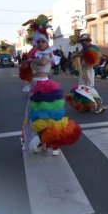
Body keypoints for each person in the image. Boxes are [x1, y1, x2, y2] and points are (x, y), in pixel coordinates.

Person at [21, 15, 81, 155]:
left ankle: (55, 145)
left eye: (43, 41)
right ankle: (42, 143)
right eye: (39, 42)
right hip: (34, 88)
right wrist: (27, 64)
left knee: (50, 118)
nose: (41, 44)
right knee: (35, 117)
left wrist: (30, 61)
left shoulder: (49, 54)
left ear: (47, 43)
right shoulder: (35, 55)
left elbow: (42, 63)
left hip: (45, 87)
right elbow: (27, 69)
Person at [66, 34, 106, 113]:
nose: (83, 42)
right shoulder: (84, 49)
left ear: (88, 40)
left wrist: (77, 55)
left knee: (90, 89)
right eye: (82, 41)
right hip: (83, 71)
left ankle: (100, 105)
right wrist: (74, 55)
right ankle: (86, 106)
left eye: (85, 40)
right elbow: (79, 55)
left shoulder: (91, 49)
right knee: (82, 89)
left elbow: (91, 61)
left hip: (88, 71)